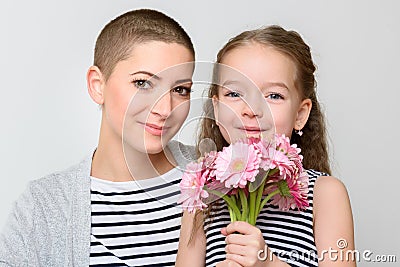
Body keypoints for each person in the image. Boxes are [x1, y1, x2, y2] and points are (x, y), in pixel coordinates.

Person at [0, 9, 196, 266]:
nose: (165, 109)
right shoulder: (43, 209)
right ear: (97, 85)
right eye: (143, 84)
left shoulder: (218, 174)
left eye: (181, 89)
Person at [176, 25, 356, 267]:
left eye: (274, 96)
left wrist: (268, 264)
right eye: (234, 94)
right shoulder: (203, 199)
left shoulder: (324, 193)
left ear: (300, 114)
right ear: (216, 109)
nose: (250, 110)